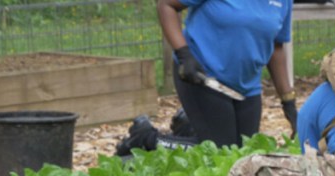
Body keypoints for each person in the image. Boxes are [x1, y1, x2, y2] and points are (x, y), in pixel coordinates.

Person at [118, 0, 298, 155]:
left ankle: (187, 128)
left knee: (246, 153)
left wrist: (288, 104)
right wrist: (183, 54)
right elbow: (166, 5)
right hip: (202, 75)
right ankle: (146, 138)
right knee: (220, 153)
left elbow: (276, 48)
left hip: (246, 87)